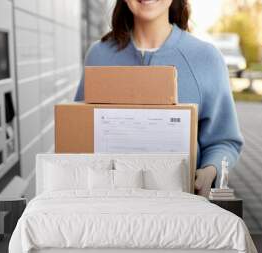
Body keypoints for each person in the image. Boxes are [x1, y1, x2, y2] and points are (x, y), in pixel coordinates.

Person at [74, 0, 243, 196]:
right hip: (108, 206)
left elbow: (225, 141)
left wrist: (209, 171)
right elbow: (79, 133)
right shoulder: (99, 55)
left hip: (180, 210)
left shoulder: (206, 58)